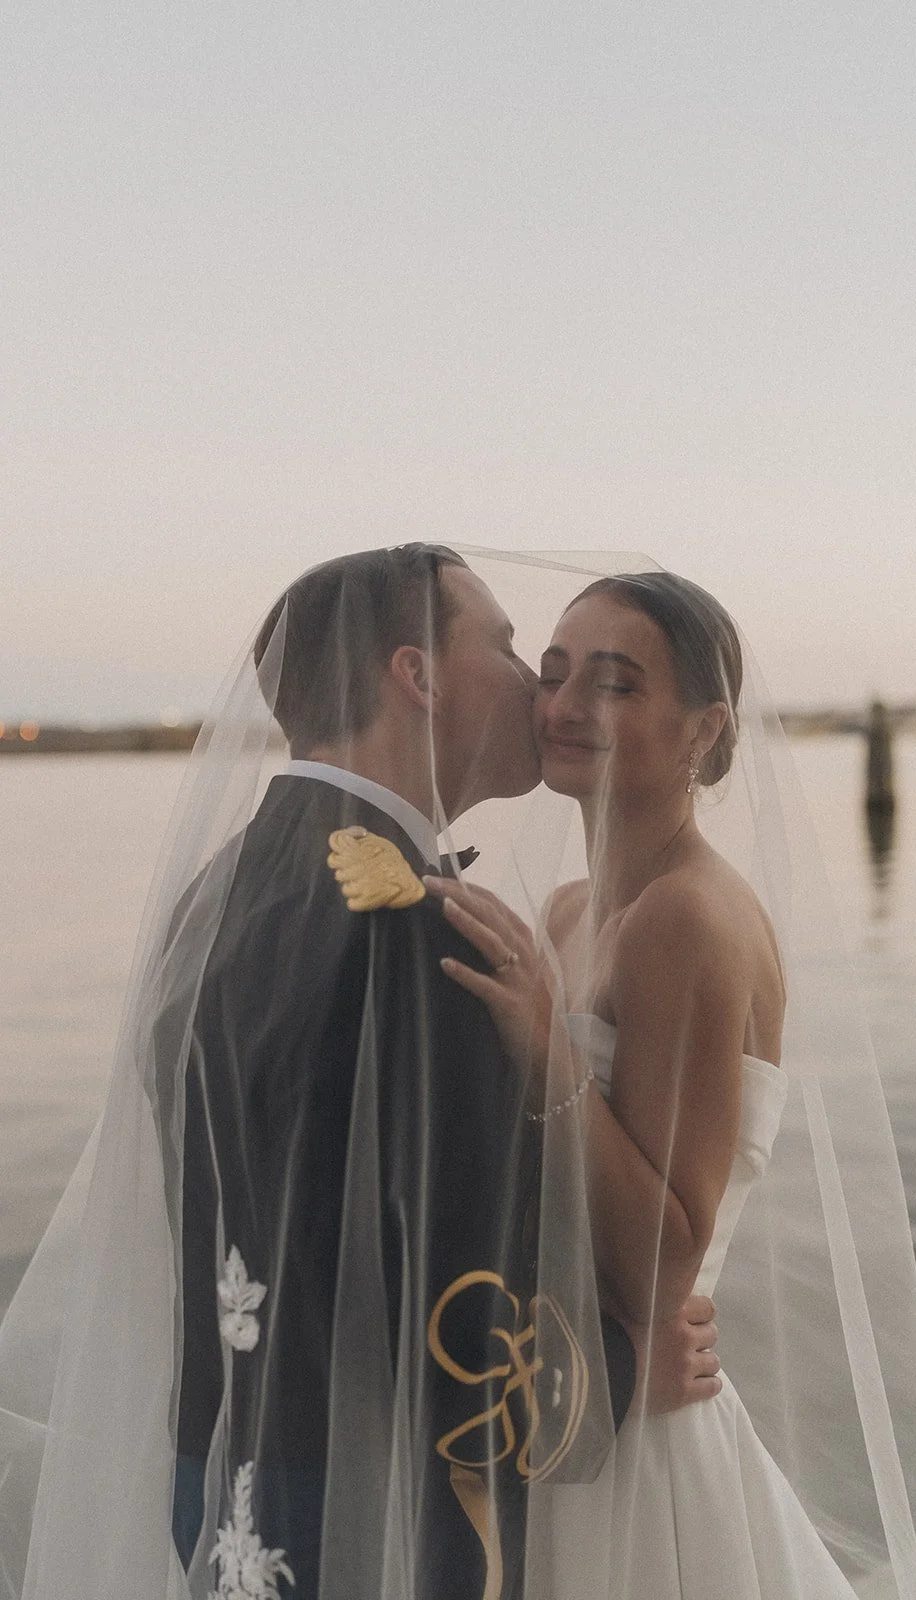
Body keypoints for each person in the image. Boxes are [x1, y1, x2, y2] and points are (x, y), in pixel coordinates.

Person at [0, 546, 719, 1600]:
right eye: (510, 646)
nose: (535, 685)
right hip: (372, 1511)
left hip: (221, 1472)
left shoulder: (222, 886)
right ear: (417, 676)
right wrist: (612, 1378)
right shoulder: (427, 938)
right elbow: (456, 1281)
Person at [425, 569, 916, 1600]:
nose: (566, 705)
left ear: (703, 732)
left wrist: (545, 1037)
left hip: (642, 1445)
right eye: (552, 672)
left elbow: (666, 1262)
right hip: (580, 1402)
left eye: (617, 684)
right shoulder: (573, 912)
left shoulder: (689, 920)